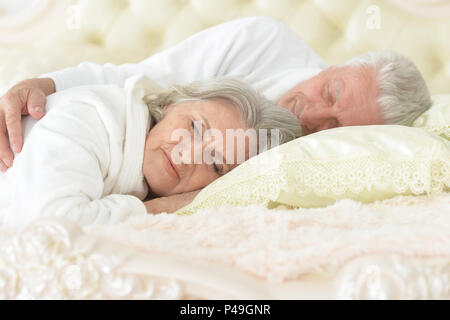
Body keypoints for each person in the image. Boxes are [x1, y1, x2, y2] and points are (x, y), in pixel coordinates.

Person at [0, 16, 432, 171]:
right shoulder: (265, 41)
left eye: (337, 125)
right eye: (331, 89)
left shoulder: (328, 163)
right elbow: (142, 76)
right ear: (336, 64)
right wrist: (41, 85)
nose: (313, 111)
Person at [0, 75, 301, 227]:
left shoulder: (140, 173)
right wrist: (162, 208)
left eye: (215, 164)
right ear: (171, 104)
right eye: (195, 127)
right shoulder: (92, 117)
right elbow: (52, 228)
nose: (187, 155)